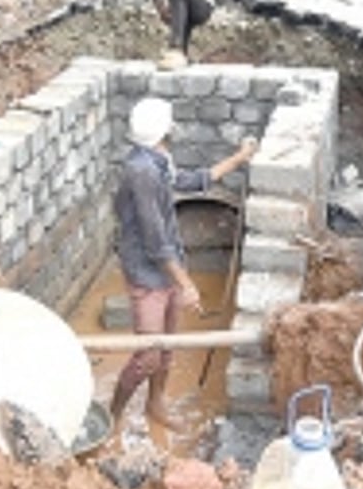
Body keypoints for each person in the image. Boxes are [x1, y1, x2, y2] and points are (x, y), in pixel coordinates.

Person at [110, 97, 257, 431]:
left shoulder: (158, 158)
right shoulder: (142, 172)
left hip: (168, 268)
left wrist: (239, 159)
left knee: (167, 348)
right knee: (148, 355)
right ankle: (112, 418)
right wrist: (187, 283)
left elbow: (191, 181)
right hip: (148, 274)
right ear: (166, 129)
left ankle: (155, 405)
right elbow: (155, 241)